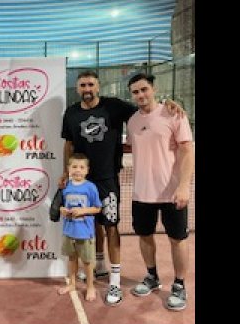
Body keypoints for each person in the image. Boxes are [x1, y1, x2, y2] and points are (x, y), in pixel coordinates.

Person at [60, 69, 182, 306]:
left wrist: (168, 103)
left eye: (91, 85)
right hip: (83, 181)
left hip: (107, 179)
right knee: (92, 223)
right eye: (83, 85)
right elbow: (69, 144)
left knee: (111, 226)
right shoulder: (71, 113)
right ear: (78, 88)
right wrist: (66, 172)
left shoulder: (114, 106)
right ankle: (100, 266)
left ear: (98, 86)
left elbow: (146, 108)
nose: (87, 89)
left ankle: (114, 281)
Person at [126, 73, 194, 311]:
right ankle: (152, 276)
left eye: (144, 89)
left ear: (153, 89)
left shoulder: (174, 113)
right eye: (135, 92)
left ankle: (179, 285)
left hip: (172, 193)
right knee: (145, 236)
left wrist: (184, 186)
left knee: (178, 239)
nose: (140, 95)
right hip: (141, 193)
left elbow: (187, 151)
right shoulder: (132, 121)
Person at [57, 153, 102, 302]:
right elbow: (61, 205)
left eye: (82, 167)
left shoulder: (90, 187)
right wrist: (62, 210)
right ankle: (72, 284)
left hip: (85, 232)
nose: (78, 170)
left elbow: (97, 208)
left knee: (87, 262)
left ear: (87, 170)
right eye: (74, 166)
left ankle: (90, 286)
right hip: (69, 231)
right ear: (69, 168)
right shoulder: (66, 186)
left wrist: (83, 211)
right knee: (72, 258)